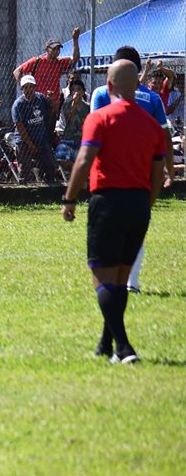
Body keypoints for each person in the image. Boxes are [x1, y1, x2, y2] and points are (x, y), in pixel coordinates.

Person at [62, 60, 165, 364]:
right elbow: (157, 175)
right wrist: (147, 205)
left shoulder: (101, 118)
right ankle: (105, 345)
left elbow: (83, 161)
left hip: (107, 201)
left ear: (109, 87)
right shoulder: (151, 125)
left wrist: (69, 199)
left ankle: (124, 347)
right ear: (138, 86)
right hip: (139, 205)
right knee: (120, 279)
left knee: (102, 277)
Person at [89, 45, 172, 293]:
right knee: (136, 226)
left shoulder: (101, 94)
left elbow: (95, 128)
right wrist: (169, 168)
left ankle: (109, 283)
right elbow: (165, 134)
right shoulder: (153, 98)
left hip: (109, 173)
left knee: (108, 229)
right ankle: (131, 283)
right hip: (142, 172)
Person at [13, 29, 81, 118]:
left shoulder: (59, 62)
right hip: (37, 102)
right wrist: (25, 86)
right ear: (46, 49)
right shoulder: (37, 61)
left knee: (50, 128)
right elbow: (17, 71)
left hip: (53, 103)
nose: (56, 51)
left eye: (58, 49)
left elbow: (75, 59)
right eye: (54, 49)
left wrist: (75, 40)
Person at [11, 75, 59, 183]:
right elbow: (20, 127)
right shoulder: (18, 104)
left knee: (50, 166)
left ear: (35, 87)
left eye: (31, 87)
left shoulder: (41, 98)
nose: (29, 90)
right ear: (22, 89)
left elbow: (52, 112)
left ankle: (49, 189)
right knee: (25, 169)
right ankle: (24, 192)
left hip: (40, 138)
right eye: (26, 87)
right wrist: (30, 145)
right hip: (24, 140)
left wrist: (52, 101)